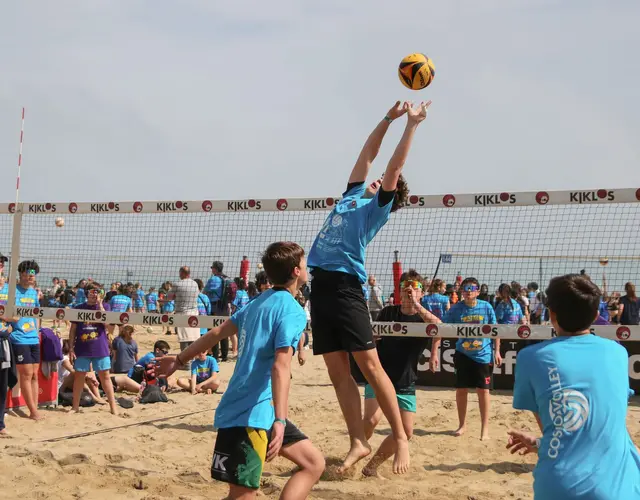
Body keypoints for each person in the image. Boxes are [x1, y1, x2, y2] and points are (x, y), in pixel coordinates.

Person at [307, 100, 430, 474]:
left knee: (372, 366)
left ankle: (401, 440)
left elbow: (393, 165)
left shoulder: (375, 207)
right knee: (337, 373)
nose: (376, 179)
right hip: (320, 289)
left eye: (384, 184)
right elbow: (369, 153)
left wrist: (411, 125)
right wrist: (388, 118)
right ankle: (359, 442)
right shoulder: (351, 194)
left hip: (346, 288)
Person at [156, 241, 324, 499]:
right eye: (303, 262)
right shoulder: (292, 311)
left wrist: (179, 360)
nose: (307, 265)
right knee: (244, 495)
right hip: (249, 415)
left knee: (313, 463)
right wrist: (280, 421)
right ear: (295, 271)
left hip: (261, 409)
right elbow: (280, 367)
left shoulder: (257, 303)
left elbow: (215, 333)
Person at [507, 274, 640, 499]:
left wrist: (543, 442)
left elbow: (561, 425)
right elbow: (601, 425)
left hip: (561, 487)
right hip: (621, 486)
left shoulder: (531, 358)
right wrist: (541, 443)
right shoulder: (618, 353)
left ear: (552, 314)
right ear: (597, 315)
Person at [362, 270, 440, 477]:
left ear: (422, 293)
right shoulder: (388, 312)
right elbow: (372, 334)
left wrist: (416, 304)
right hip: (381, 376)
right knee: (371, 421)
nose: (410, 290)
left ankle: (371, 466)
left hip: (405, 379)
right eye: (406, 286)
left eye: (416, 287)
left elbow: (438, 327)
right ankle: (357, 449)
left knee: (406, 432)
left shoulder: (424, 316)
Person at [444, 277, 501, 440]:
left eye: (472, 288)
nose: (468, 291)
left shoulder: (486, 307)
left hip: (483, 355)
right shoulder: (456, 309)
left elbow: (496, 330)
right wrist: (434, 351)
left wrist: (497, 351)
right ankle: (462, 425)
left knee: (483, 391)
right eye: (465, 288)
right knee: (461, 391)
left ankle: (485, 429)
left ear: (477, 291)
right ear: (461, 291)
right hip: (463, 354)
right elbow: (441, 327)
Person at [69, 284, 117, 415]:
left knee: (105, 377)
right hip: (82, 347)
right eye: (92, 292)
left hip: (99, 347)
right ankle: (75, 407)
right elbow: (72, 330)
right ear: (86, 293)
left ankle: (113, 407)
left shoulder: (105, 307)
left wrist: (100, 306)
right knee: (79, 377)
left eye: (97, 292)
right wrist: (71, 348)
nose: (94, 294)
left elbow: (108, 326)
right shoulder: (78, 308)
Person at [9, 260, 42, 420]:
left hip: (33, 337)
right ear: (21, 273)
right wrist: (11, 322)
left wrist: (38, 332)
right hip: (19, 338)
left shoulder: (33, 292)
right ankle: (33, 412)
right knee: (27, 374)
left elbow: (37, 314)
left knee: (35, 374)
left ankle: (34, 409)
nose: (31, 277)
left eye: (33, 275)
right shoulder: (10, 290)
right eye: (28, 274)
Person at [167, 266, 200, 369]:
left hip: (182, 313)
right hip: (194, 313)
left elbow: (169, 297)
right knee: (193, 339)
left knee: (184, 339)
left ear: (182, 273)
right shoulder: (195, 283)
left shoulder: (177, 284)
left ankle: (186, 363)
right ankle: (193, 361)